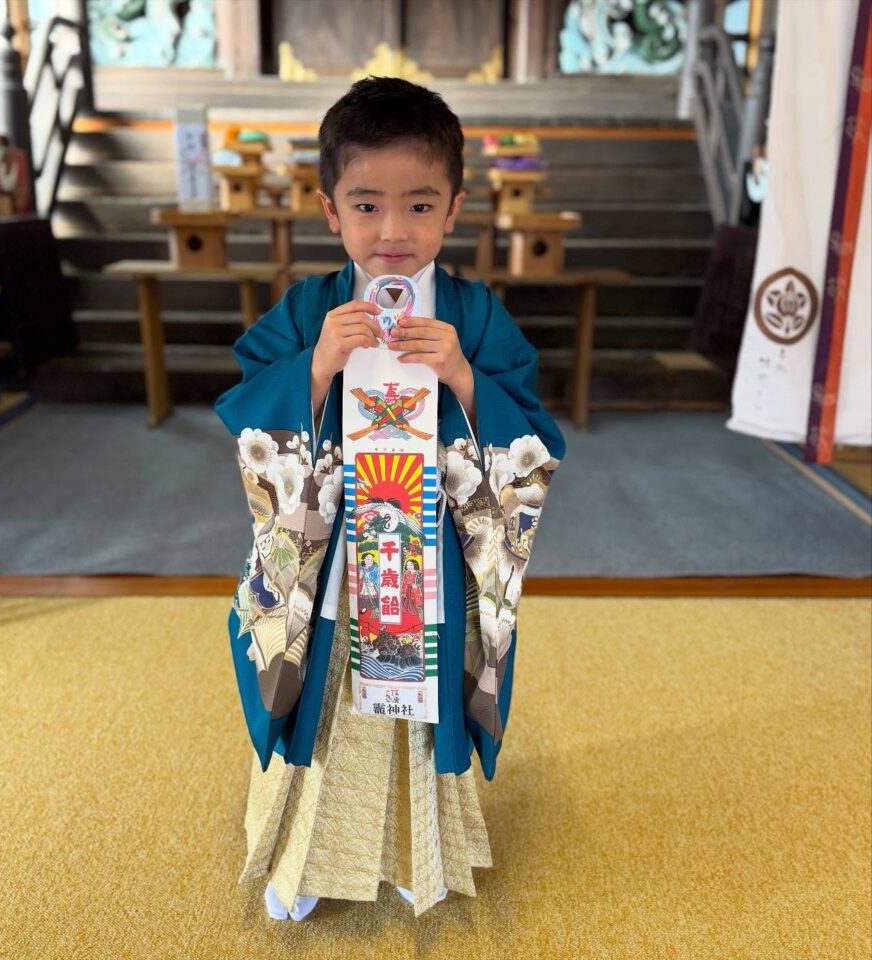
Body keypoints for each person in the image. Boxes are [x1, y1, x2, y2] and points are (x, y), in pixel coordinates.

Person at [214, 76, 566, 921]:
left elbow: (531, 440)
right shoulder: (311, 308)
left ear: (453, 210)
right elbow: (251, 416)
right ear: (329, 209)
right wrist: (312, 369)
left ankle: (417, 853)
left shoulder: (475, 317)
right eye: (367, 205)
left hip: (430, 561)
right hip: (337, 559)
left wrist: (466, 380)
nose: (393, 231)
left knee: (424, 699)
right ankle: (301, 864)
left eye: (419, 205)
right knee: (328, 704)